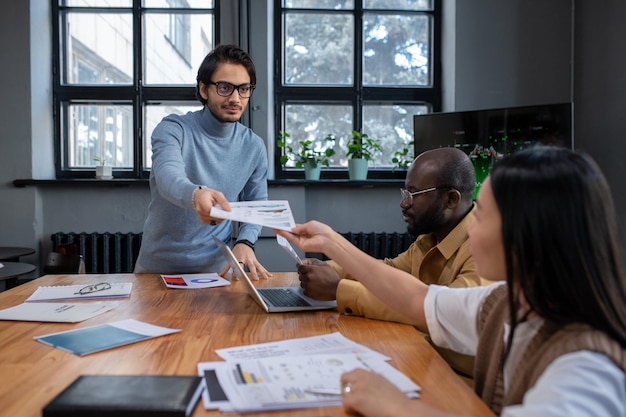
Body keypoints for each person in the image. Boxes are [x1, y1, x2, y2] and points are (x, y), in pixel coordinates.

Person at [276, 145, 626, 416]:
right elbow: (417, 299)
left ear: (526, 235)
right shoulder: (503, 303)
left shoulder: (586, 366)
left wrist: (396, 406)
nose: (471, 226)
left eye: (483, 214)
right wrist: (330, 241)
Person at [297, 147, 491, 378]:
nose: (404, 203)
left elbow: (440, 314)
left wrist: (338, 289)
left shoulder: (486, 249)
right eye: (405, 193)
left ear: (450, 199)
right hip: (423, 358)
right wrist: (331, 267)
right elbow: (388, 271)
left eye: (414, 194)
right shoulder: (431, 238)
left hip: (459, 380)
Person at [135, 44, 271, 280]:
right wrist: (196, 195)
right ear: (204, 89)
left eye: (244, 89)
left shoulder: (254, 146)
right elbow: (168, 176)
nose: (235, 98)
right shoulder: (173, 129)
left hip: (216, 272)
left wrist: (246, 241)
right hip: (157, 270)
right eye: (224, 87)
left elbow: (256, 202)